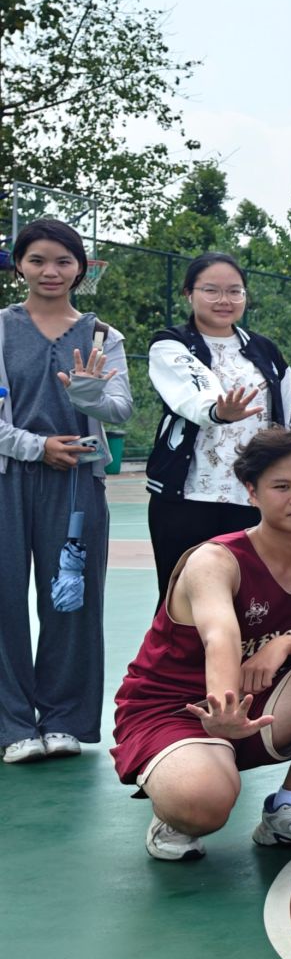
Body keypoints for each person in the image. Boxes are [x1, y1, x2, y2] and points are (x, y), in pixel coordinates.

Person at [109, 424, 291, 862]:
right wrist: (224, 710)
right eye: (281, 487)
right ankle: (174, 809)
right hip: (173, 709)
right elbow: (221, 634)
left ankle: (289, 808)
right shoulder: (216, 559)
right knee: (204, 803)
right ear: (252, 493)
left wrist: (286, 643)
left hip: (256, 701)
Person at [0, 217, 133, 765]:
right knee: (4, 599)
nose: (50, 271)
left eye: (63, 260)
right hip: (7, 480)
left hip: (77, 483)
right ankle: (11, 725)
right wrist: (37, 447)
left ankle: (64, 720)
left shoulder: (103, 337)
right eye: (37, 260)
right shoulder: (1, 328)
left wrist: (88, 395)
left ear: (81, 268)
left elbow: (120, 410)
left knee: (72, 601)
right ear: (19, 266)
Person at [143, 252, 291, 596]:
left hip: (253, 495)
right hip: (187, 496)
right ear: (189, 293)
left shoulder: (266, 350)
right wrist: (217, 410)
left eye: (234, 291)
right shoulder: (170, 343)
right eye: (211, 290)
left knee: (252, 597)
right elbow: (192, 389)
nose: (224, 300)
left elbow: (289, 414)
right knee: (182, 597)